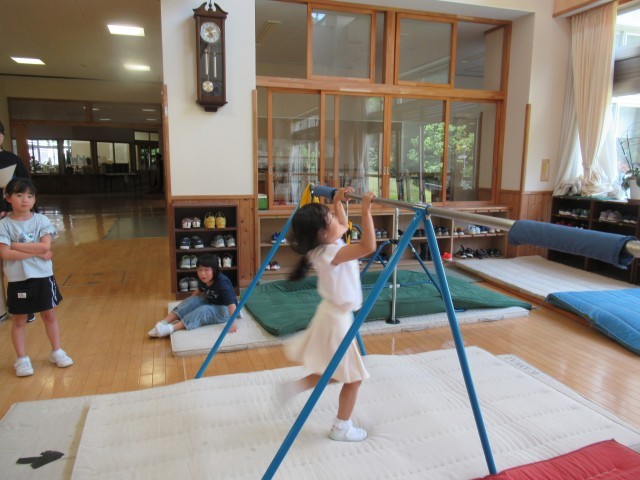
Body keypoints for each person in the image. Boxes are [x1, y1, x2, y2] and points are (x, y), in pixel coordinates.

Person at [282, 187, 376, 442]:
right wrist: (366, 211)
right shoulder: (331, 253)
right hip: (337, 320)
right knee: (353, 378)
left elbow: (343, 226)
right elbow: (368, 245)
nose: (338, 221)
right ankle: (341, 427)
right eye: (332, 218)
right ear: (323, 232)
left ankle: (295, 387)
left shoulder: (323, 246)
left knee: (337, 371)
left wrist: (337, 203)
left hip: (332, 314)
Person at [0, 178, 72, 377]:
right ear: (8, 198)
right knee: (19, 320)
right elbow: (5, 253)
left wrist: (15, 245)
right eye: (19, 195)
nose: (25, 200)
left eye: (30, 196)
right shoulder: (4, 224)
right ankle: (22, 359)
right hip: (17, 279)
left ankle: (57, 351)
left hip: (43, 276)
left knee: (49, 315)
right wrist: (36, 253)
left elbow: (45, 246)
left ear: (35, 199)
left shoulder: (41, 220)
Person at [148, 253, 239, 337]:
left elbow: (231, 304)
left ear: (214, 270)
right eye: (199, 269)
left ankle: (170, 328)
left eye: (206, 270)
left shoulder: (223, 283)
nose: (202, 273)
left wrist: (233, 322)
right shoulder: (204, 278)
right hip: (212, 302)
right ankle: (163, 323)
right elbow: (198, 290)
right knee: (194, 300)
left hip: (226, 310)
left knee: (204, 310)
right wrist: (189, 304)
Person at [0, 120, 35, 324]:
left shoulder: (12, 160)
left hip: (12, 219)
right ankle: (1, 308)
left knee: (17, 264)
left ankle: (25, 307)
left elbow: (26, 188)